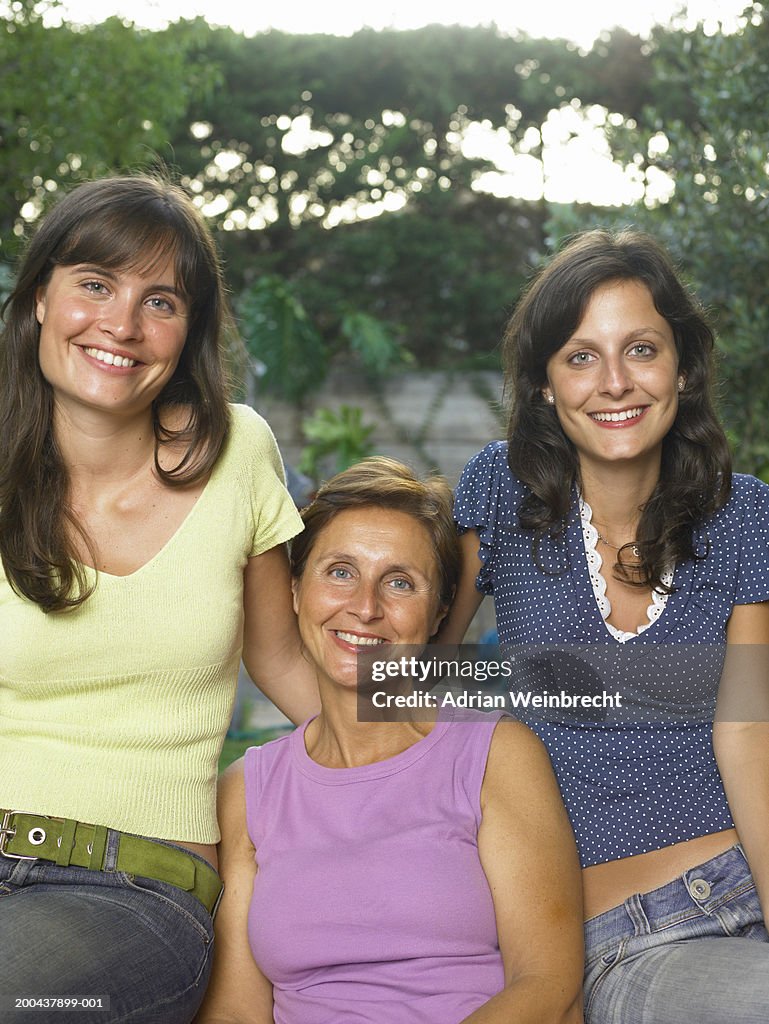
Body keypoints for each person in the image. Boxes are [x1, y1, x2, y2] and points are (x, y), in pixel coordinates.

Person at [0, 174, 319, 1023]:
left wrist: (500, 715)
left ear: (188, 333)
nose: (123, 324)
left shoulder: (237, 451)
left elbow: (286, 659)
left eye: (161, 301)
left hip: (133, 887)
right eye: (95, 285)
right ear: (40, 299)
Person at [440, 228, 769, 1023]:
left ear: (682, 370)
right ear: (546, 384)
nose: (614, 382)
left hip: (734, 891)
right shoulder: (501, 490)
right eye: (580, 356)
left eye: (642, 350)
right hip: (608, 940)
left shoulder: (745, 514)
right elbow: (421, 676)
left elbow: (747, 734)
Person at [197, 457, 584, 1024]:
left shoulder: (494, 755)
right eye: (339, 571)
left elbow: (548, 986)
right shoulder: (247, 792)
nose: (366, 607)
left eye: (400, 582)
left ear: (439, 612)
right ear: (296, 592)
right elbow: (235, 1008)